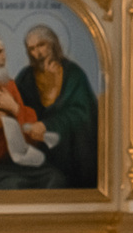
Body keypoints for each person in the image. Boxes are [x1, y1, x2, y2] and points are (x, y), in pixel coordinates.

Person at [0, 33, 63, 191]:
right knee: (12, 186)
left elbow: (27, 129)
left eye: (4, 51)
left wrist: (15, 108)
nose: (4, 56)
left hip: (17, 159)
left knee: (55, 178)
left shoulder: (8, 85)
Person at [15, 24, 97, 189]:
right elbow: (19, 110)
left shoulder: (73, 74)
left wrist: (48, 125)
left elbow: (82, 114)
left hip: (70, 150)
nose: (37, 53)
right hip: (36, 150)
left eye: (41, 45)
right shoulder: (26, 77)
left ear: (52, 43)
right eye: (31, 49)